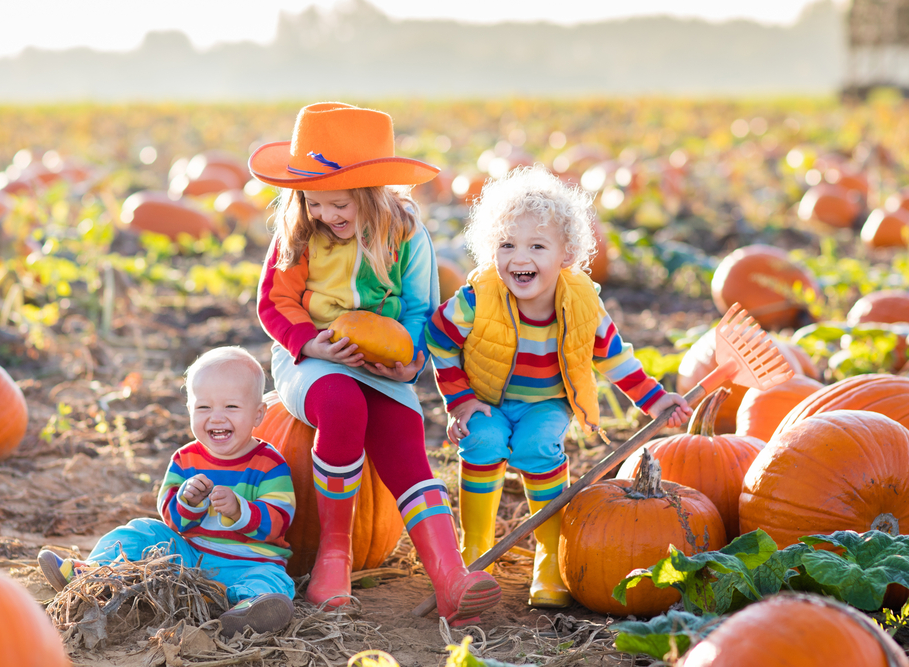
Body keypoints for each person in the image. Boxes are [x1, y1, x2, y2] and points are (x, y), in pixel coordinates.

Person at [252, 102, 501, 626]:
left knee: (404, 432)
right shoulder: (299, 233)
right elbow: (274, 305)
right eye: (314, 203)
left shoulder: (407, 233)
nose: (326, 215)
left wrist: (407, 364)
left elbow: (417, 310)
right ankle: (332, 563)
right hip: (311, 357)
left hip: (381, 361)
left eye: (338, 204)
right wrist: (312, 345)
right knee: (343, 409)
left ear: (372, 194)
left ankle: (450, 578)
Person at [425, 165, 693, 608]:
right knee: (483, 444)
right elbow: (438, 337)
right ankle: (475, 554)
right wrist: (461, 400)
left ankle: (549, 560)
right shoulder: (478, 298)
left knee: (537, 449)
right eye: (506, 245)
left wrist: (653, 398)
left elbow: (613, 356)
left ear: (565, 254)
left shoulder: (581, 305)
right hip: (487, 400)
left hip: (545, 403)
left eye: (536, 246)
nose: (519, 258)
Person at [38, 346, 297, 636]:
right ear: (189, 410)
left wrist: (240, 510)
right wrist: (188, 501)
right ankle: (93, 573)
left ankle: (245, 610)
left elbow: (279, 521)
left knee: (272, 580)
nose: (216, 417)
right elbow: (174, 520)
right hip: (191, 558)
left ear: (259, 414)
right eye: (204, 407)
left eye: (231, 407)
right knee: (141, 530)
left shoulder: (270, 464)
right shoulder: (185, 460)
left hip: (250, 561)